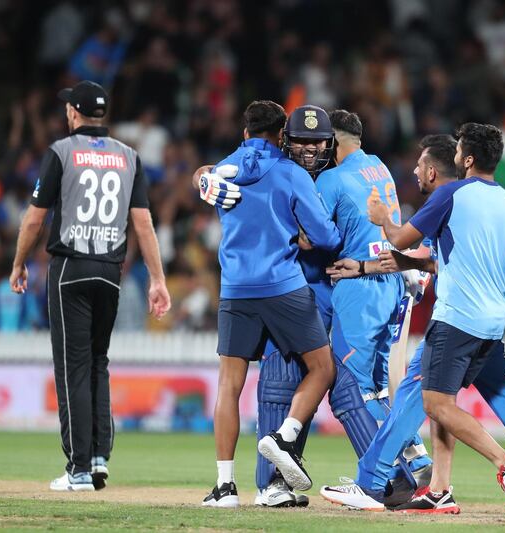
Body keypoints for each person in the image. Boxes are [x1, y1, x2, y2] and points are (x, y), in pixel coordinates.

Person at [320, 134, 505, 516]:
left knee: (423, 396)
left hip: (456, 320)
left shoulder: (452, 195)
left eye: (459, 150)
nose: (455, 156)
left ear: (469, 158)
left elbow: (399, 239)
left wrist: (382, 219)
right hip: (491, 324)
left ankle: (372, 484)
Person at [8, 80, 171, 491]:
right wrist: (157, 278)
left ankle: (78, 469)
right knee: (98, 362)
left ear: (74, 114)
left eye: (67, 107)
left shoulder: (62, 152)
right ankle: (99, 458)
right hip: (110, 272)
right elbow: (144, 224)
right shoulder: (129, 157)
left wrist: (18, 263)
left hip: (70, 270)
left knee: (73, 368)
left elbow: (33, 219)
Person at [200, 100, 341, 507]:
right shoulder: (292, 173)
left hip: (236, 288)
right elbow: (327, 239)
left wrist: (201, 176)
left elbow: (206, 177)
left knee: (229, 385)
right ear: (281, 135)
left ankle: (225, 487)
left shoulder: (222, 169)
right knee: (322, 367)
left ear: (244, 132)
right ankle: (285, 435)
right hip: (283, 285)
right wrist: (304, 235)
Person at [315, 110, 431, 474]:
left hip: (359, 286)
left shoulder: (332, 179)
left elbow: (314, 234)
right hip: (390, 278)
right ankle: (415, 457)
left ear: (333, 142)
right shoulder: (379, 166)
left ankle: (382, 474)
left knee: (352, 386)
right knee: (378, 388)